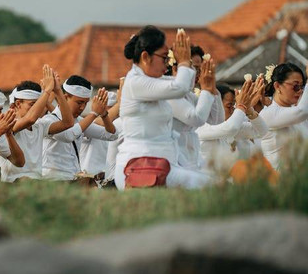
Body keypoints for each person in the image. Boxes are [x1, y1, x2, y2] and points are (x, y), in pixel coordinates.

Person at [115, 26, 214, 190]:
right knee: (211, 186)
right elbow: (179, 87)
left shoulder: (154, 81)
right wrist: (183, 61)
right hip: (138, 166)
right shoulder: (135, 82)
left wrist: (208, 90)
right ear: (146, 57)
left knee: (214, 184)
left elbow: (183, 88)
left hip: (163, 164)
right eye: (164, 58)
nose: (166, 64)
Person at [0, 65, 74, 182]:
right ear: (18, 104)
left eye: (38, 104)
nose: (37, 108)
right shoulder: (9, 123)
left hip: (36, 182)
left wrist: (58, 91)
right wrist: (47, 90)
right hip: (14, 183)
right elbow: (30, 119)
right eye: (32, 104)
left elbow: (68, 123)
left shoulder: (40, 125)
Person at [42, 76, 117, 180]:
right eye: (79, 102)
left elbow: (112, 135)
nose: (82, 108)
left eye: (86, 103)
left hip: (73, 180)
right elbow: (68, 135)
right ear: (65, 97)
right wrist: (94, 113)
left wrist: (104, 114)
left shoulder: (81, 122)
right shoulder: (48, 121)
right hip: (53, 181)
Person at [197, 78, 267, 174]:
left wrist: (249, 109)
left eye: (234, 106)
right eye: (229, 106)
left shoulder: (227, 125)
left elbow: (261, 131)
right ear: (215, 105)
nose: (233, 110)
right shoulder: (199, 126)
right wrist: (242, 106)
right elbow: (230, 128)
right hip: (205, 184)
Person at [259, 62, 308, 171]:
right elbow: (302, 112)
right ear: (277, 86)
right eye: (295, 86)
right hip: (278, 183)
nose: (300, 91)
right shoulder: (268, 114)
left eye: (302, 86)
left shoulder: (298, 114)